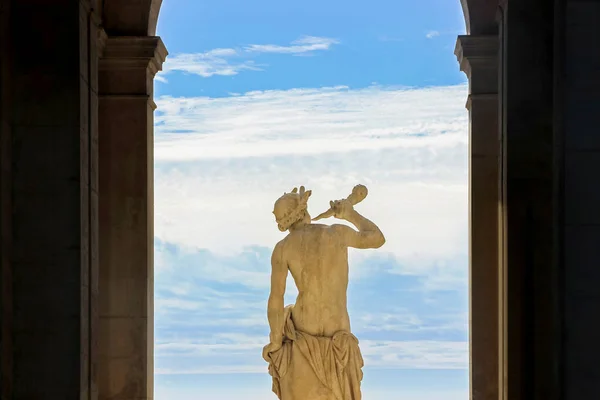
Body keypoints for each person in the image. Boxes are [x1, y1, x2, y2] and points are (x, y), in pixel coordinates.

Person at [263, 185, 385, 400]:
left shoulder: (282, 248)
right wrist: (350, 213)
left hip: (302, 334)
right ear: (304, 209)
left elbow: (276, 299)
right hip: (338, 333)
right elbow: (376, 238)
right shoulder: (336, 233)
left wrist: (275, 340)